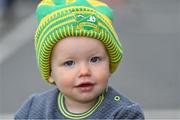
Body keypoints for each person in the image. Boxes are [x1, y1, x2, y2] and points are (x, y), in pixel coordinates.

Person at [15, 0, 144, 119]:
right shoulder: (33, 109)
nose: (84, 71)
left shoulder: (123, 113)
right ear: (50, 72)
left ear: (110, 63)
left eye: (94, 59)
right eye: (69, 63)